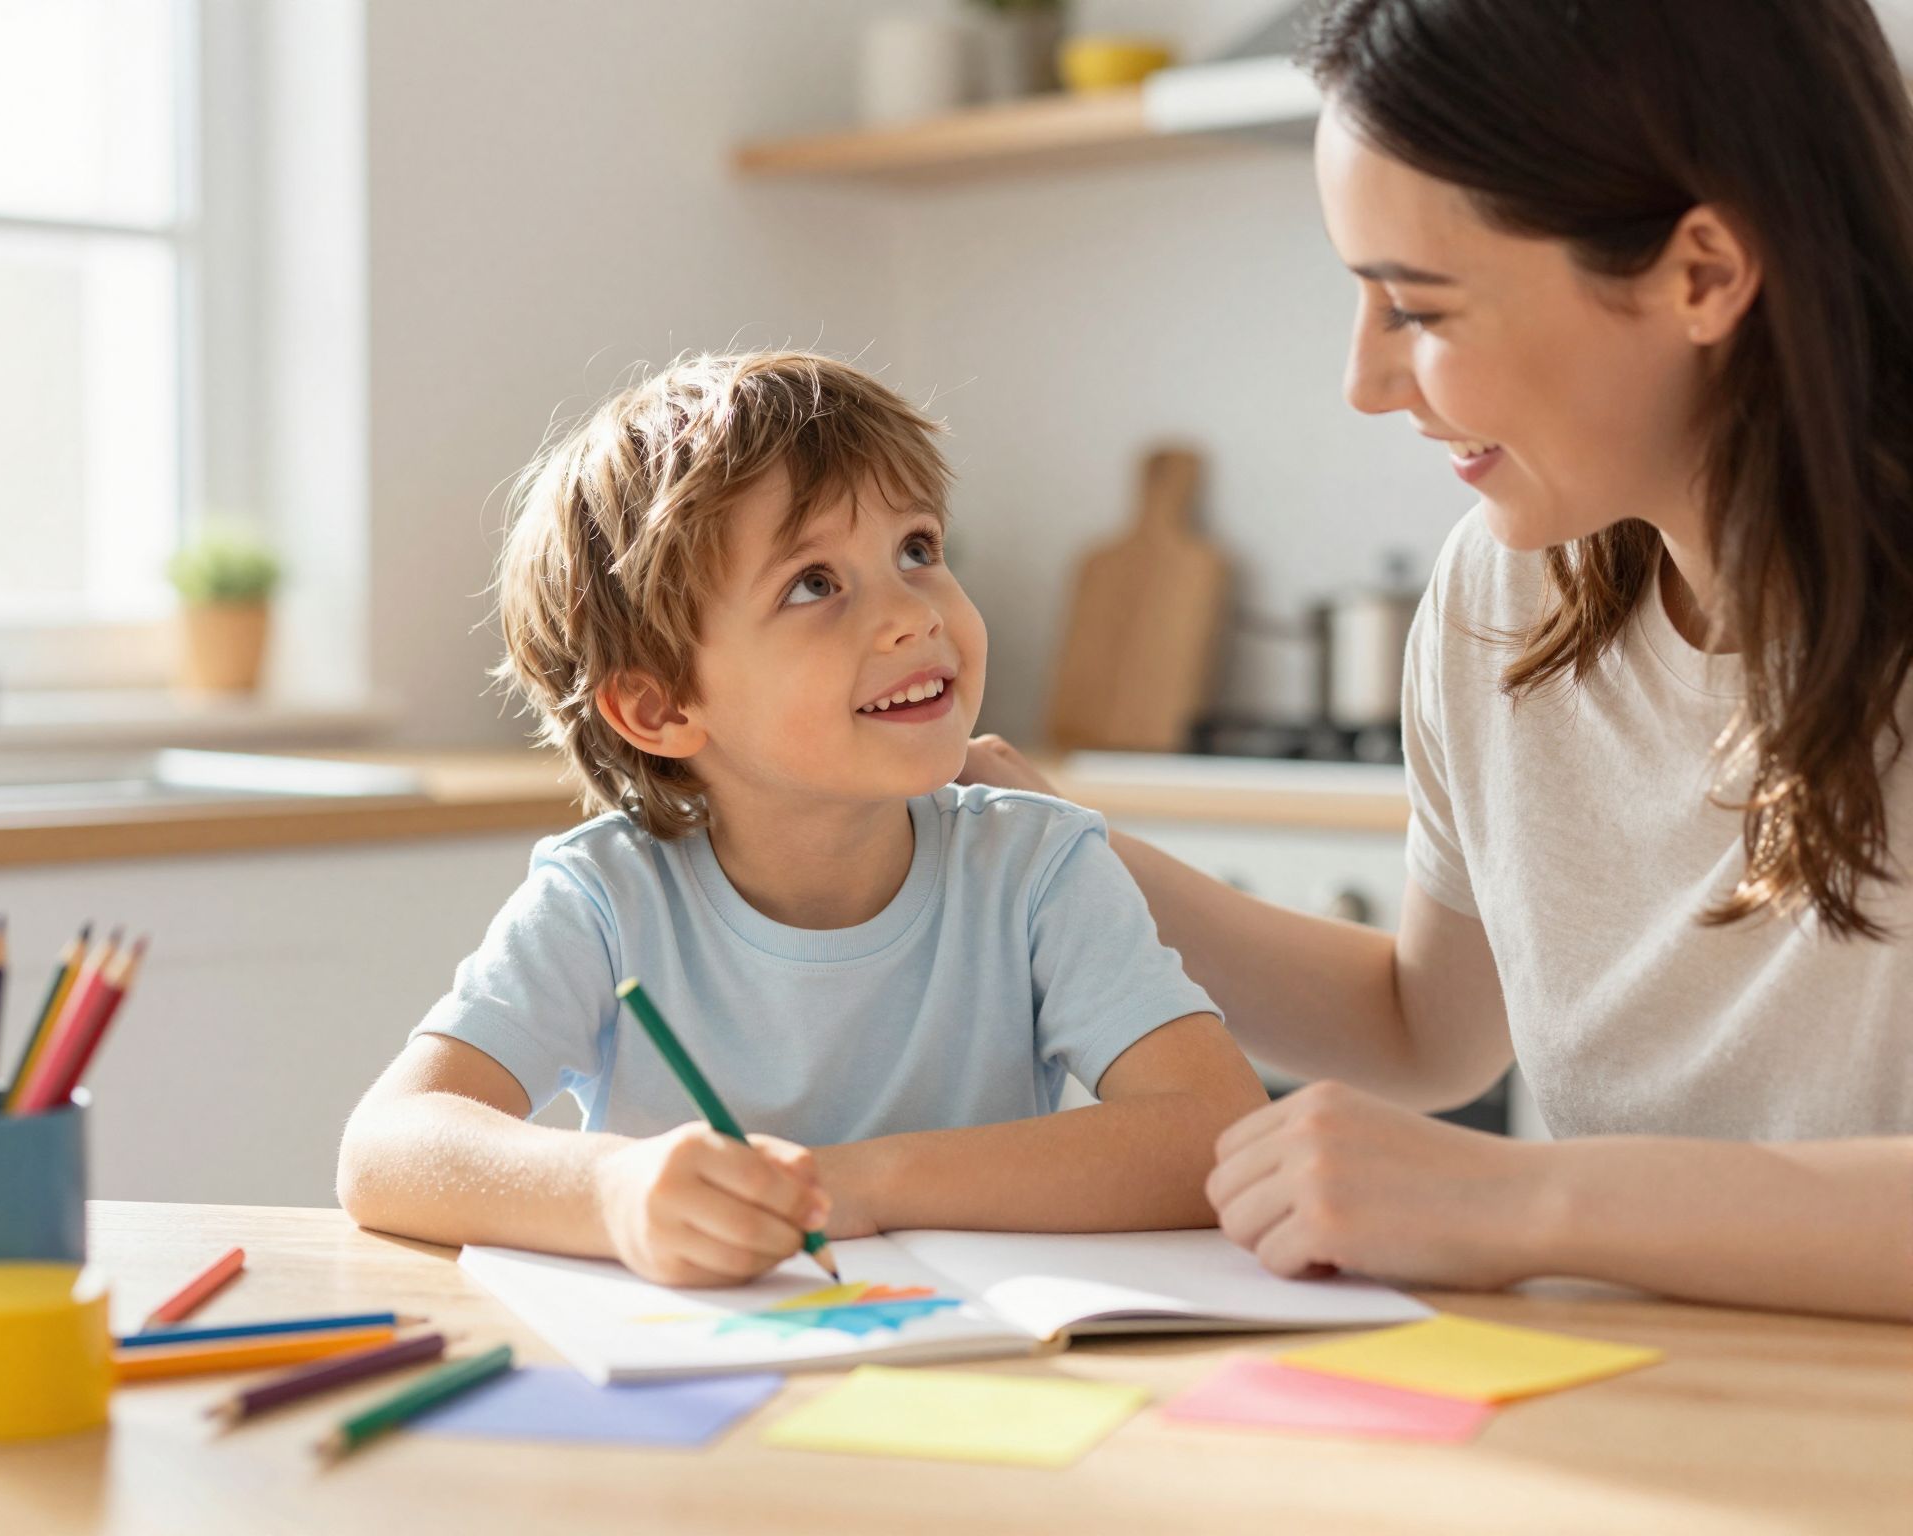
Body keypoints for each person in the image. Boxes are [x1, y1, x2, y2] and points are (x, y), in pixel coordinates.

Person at [965, 0, 1913, 1321]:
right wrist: (1057, 853)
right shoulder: (1507, 589)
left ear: (1701, 275)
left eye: (1415, 305)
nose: (1365, 381)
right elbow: (1423, 1029)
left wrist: (1520, 1201)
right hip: (1632, 1394)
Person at [337, 351, 1267, 1286]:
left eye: (917, 549)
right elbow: (387, 1147)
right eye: (814, 583)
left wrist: (853, 1185)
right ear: (660, 706)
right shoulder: (605, 900)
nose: (913, 615)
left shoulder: (1037, 867)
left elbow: (1218, 1133)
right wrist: (614, 1192)